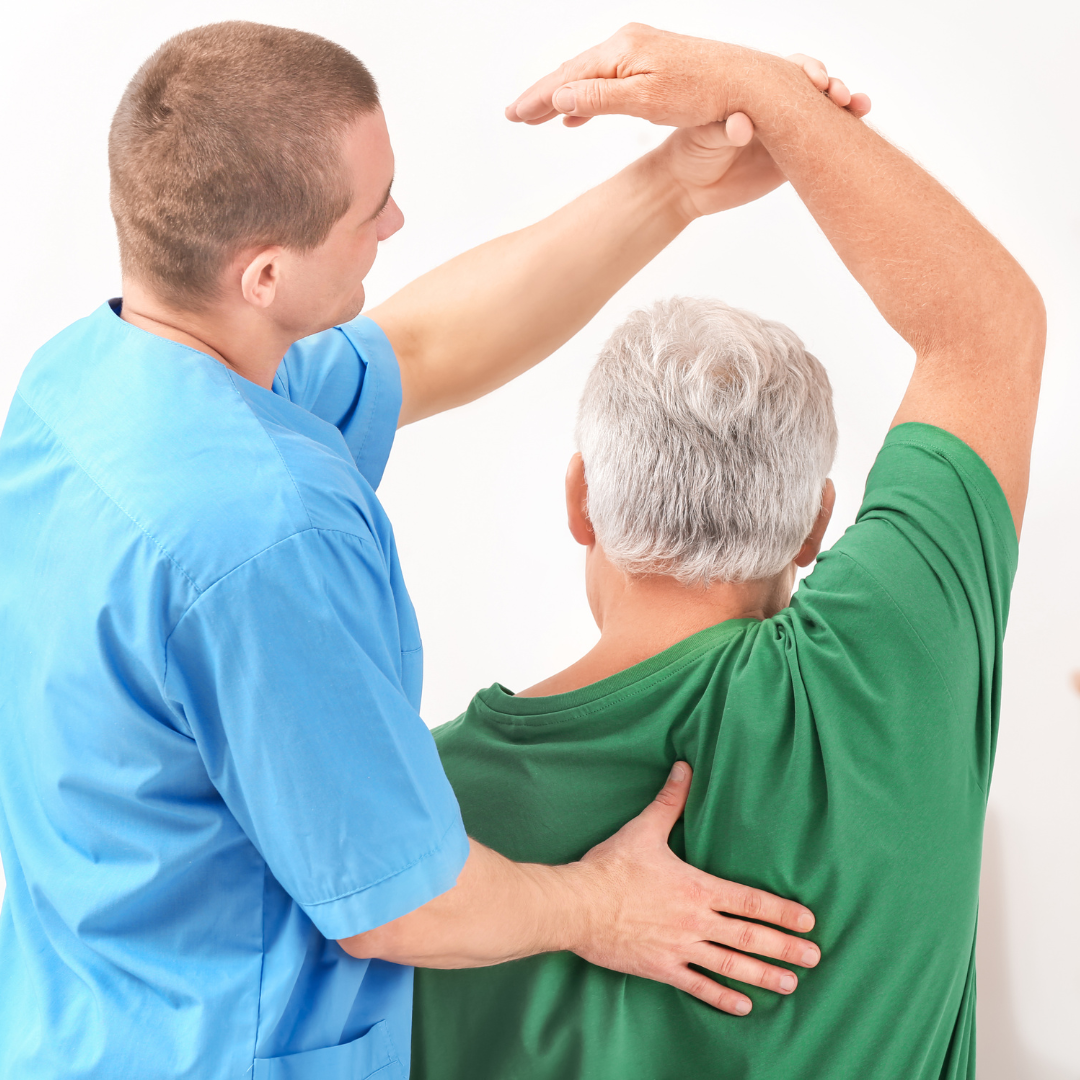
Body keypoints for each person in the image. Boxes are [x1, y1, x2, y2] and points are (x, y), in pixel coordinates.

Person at [0, 21, 874, 1080]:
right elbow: (401, 905)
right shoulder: (259, 538)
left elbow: (420, 346)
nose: (397, 221)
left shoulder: (94, 376)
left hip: (76, 1015)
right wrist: (600, 906)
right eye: (370, 212)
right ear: (266, 273)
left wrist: (675, 185)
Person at [411, 24, 1046, 1080]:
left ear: (582, 499)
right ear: (815, 522)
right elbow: (985, 327)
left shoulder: (414, 814)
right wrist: (775, 99)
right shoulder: (892, 673)